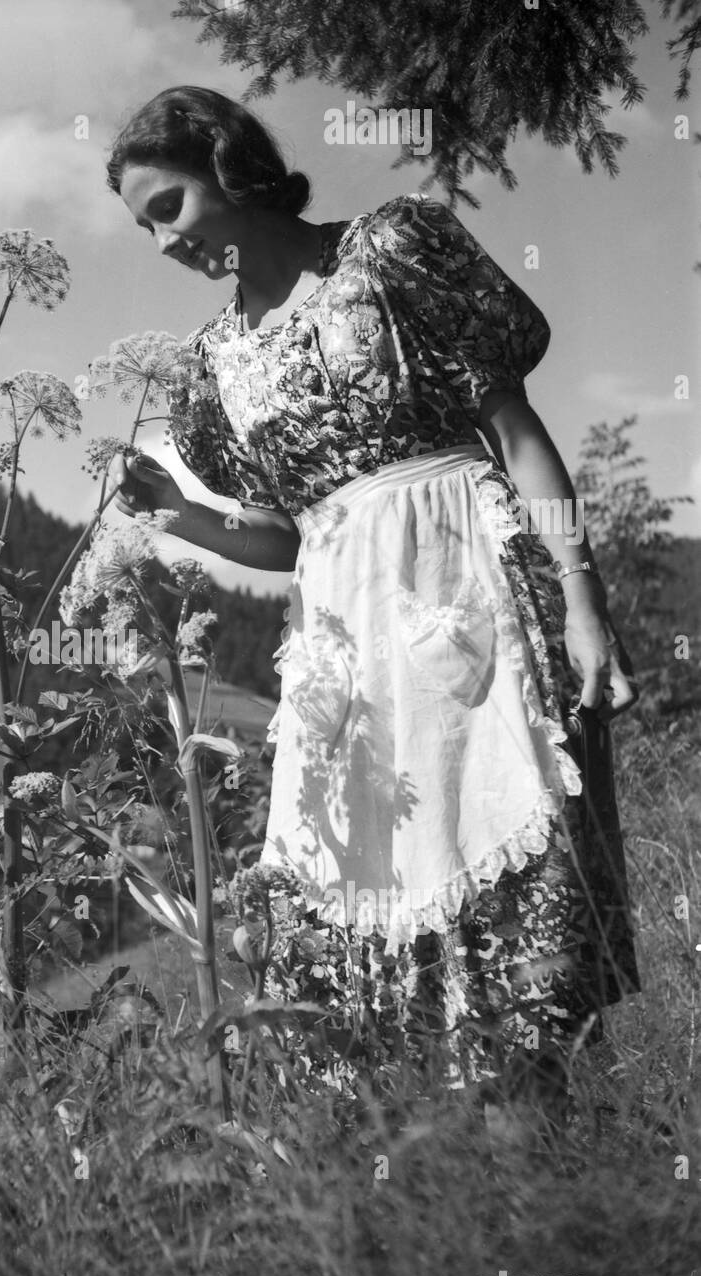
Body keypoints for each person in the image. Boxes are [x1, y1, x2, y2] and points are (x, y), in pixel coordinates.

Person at [104, 85, 640, 1150]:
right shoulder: (213, 366)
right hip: (346, 651)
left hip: (475, 592)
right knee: (355, 906)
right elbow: (289, 535)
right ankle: (430, 1185)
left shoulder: (389, 249)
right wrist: (184, 517)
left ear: (227, 166)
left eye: (166, 206)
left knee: (518, 909)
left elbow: (514, 430)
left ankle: (554, 1173)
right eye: (141, 228)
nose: (161, 242)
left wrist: (584, 606)